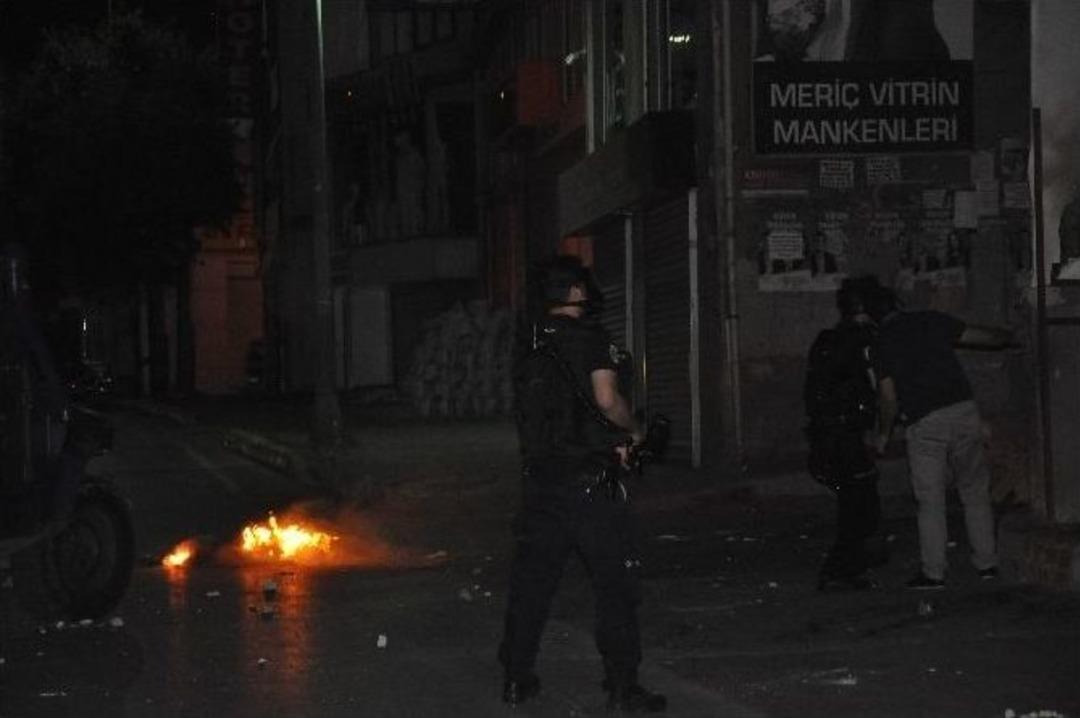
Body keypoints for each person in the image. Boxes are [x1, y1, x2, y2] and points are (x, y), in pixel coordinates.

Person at [498, 256, 666, 713]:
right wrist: (634, 431)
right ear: (575, 292)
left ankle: (516, 678)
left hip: (541, 483)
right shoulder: (591, 339)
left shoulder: (529, 346)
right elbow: (607, 400)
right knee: (615, 585)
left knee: (533, 584)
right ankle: (622, 684)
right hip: (591, 482)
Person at [868, 286, 1014, 589]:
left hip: (925, 421)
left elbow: (887, 395)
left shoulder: (881, 341)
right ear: (898, 303)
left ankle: (934, 571)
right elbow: (982, 336)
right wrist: (1008, 336)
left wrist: (883, 433)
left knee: (930, 500)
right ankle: (987, 563)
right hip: (963, 410)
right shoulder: (929, 320)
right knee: (974, 491)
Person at [804, 276, 885, 591]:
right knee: (858, 506)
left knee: (857, 502)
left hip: (831, 432)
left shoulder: (830, 340)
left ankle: (852, 561)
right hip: (844, 433)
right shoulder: (861, 340)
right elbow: (873, 387)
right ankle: (841, 568)